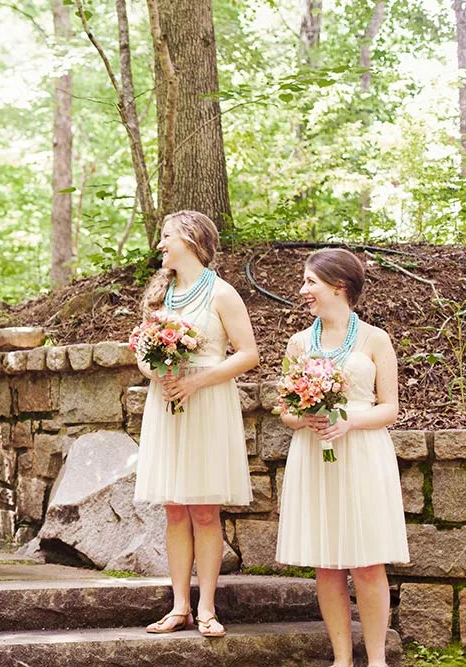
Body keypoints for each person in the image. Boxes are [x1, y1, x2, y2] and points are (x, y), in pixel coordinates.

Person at [276, 248, 407, 667]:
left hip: (363, 454)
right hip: (314, 456)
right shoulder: (299, 343)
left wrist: (347, 420)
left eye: (310, 282)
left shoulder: (375, 339)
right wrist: (305, 416)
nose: (302, 290)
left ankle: (376, 660)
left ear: (339, 286)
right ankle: (341, 660)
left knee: (367, 563)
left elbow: (390, 408)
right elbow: (285, 411)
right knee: (327, 563)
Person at [133, 210, 258, 638]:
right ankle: (179, 606)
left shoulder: (222, 294)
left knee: (205, 510)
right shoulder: (159, 296)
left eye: (167, 237)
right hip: (167, 404)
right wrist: (157, 374)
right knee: (174, 509)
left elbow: (247, 354)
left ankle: (206, 607)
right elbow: (142, 351)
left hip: (207, 404)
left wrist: (197, 381)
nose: (161, 245)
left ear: (190, 239)